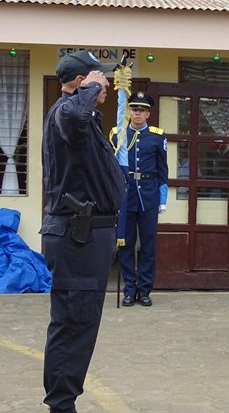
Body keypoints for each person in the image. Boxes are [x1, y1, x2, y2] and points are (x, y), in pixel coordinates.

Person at [41, 50, 125, 413]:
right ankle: (61, 405)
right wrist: (88, 90)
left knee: (81, 321)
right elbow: (75, 115)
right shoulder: (67, 111)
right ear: (81, 81)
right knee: (74, 322)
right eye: (100, 78)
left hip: (89, 236)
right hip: (78, 236)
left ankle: (64, 401)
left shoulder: (84, 117)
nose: (106, 83)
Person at [109, 92, 168, 307]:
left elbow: (163, 170)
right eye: (134, 109)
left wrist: (162, 199)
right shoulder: (118, 134)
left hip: (148, 195)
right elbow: (111, 167)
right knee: (126, 245)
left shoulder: (157, 136)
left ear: (148, 114)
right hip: (126, 195)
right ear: (129, 111)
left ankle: (144, 290)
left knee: (148, 245)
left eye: (142, 110)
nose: (138, 113)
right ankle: (129, 290)